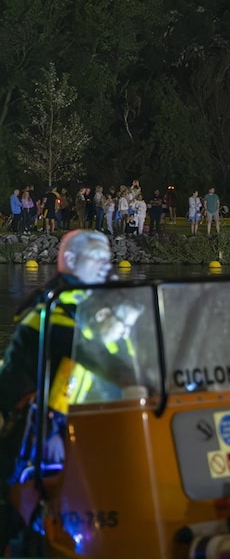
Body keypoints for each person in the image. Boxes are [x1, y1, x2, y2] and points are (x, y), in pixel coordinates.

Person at [0, 231, 113, 554]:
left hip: (72, 418)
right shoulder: (60, 309)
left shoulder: (91, 305)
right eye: (97, 258)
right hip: (28, 422)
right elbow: (92, 361)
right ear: (73, 261)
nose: (106, 266)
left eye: (108, 259)